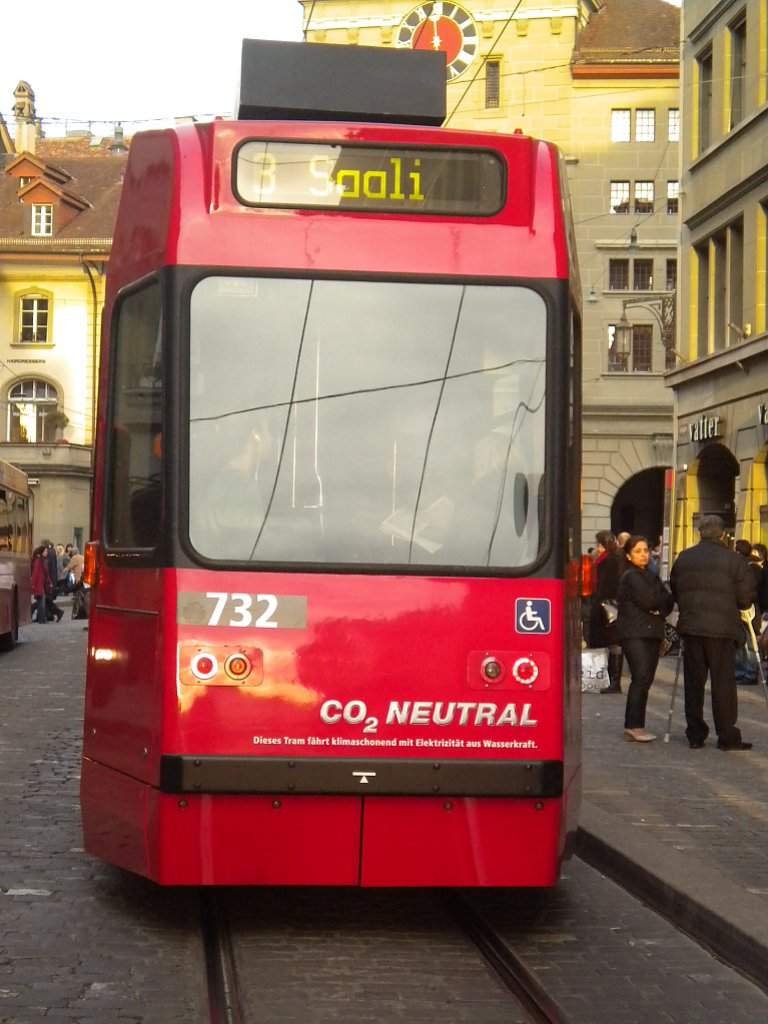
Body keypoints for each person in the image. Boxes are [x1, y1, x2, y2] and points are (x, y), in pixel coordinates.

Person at [669, 515, 756, 751]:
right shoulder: (734, 560)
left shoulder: (685, 557)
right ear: (722, 534)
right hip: (722, 629)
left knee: (694, 682)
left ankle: (695, 733)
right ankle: (727, 735)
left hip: (692, 627)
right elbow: (745, 597)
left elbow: (675, 588)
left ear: (700, 532)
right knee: (723, 684)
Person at [615, 535, 675, 742]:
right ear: (629, 555)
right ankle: (633, 725)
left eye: (646, 551)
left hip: (652, 632)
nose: (643, 555)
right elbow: (650, 600)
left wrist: (660, 607)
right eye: (638, 551)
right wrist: (657, 606)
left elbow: (667, 601)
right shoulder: (631, 577)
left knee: (646, 678)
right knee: (640, 677)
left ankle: (636, 724)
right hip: (635, 633)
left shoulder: (651, 575)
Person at [587, 530, 625, 694]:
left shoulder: (608, 561)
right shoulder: (615, 559)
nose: (596, 547)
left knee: (613, 644)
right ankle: (613, 680)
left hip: (608, 607)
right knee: (613, 644)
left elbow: (606, 585)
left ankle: (614, 681)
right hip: (612, 606)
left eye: (598, 543)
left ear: (602, 545)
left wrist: (597, 600)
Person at [30, 545, 50, 624]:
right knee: (41, 602)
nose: (46, 552)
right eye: (45, 551)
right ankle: (41, 619)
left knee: (40, 602)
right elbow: (35, 573)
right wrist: (34, 584)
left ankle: (39, 618)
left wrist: (49, 582)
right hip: (39, 585)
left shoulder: (43, 560)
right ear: (41, 552)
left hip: (42, 584)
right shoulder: (38, 561)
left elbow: (46, 573)